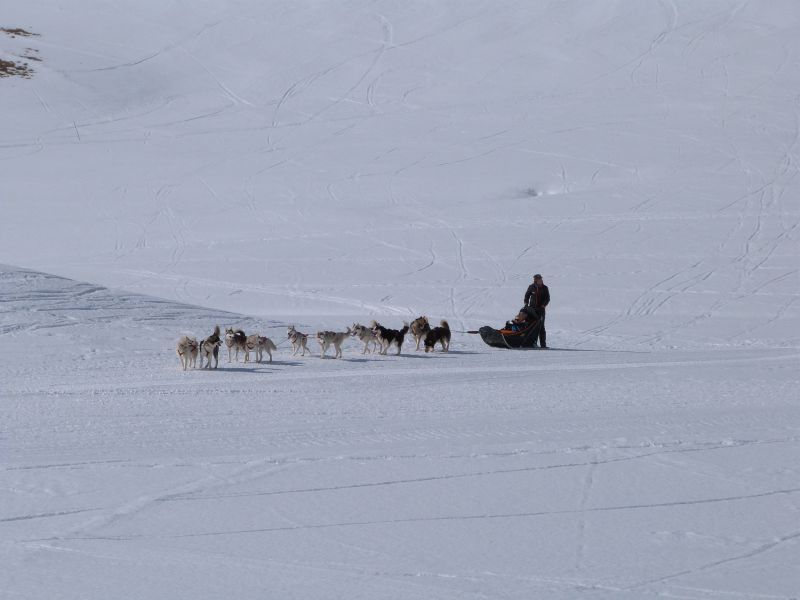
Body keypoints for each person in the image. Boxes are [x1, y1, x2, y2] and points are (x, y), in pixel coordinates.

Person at [523, 273, 550, 348]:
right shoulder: (531, 287)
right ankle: (530, 343)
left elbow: (547, 298)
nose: (540, 280)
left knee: (541, 327)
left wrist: (543, 305)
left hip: (541, 310)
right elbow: (527, 295)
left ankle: (543, 345)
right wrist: (526, 302)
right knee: (530, 325)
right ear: (535, 280)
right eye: (538, 279)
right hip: (531, 309)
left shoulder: (545, 288)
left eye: (540, 279)